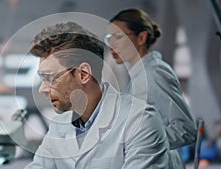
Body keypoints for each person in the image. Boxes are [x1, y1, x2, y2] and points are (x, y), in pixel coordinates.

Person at [24, 21, 171, 168]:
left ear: (83, 74)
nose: (42, 89)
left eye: (49, 78)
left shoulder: (140, 121)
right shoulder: (58, 125)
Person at [105, 8, 197, 168]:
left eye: (118, 37)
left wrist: (139, 140)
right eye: (109, 38)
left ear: (141, 37)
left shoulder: (154, 73)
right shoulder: (136, 77)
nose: (111, 45)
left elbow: (186, 130)